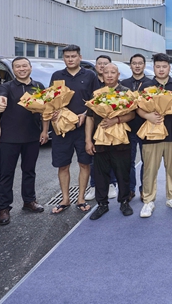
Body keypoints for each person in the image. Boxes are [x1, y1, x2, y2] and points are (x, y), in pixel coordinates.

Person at [0, 57, 49, 225]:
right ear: (13, 70)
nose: (21, 69)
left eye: (24, 66)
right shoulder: (6, 87)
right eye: (17, 67)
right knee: (6, 173)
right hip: (10, 137)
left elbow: (46, 110)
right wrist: (0, 103)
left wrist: (45, 131)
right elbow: (1, 99)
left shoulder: (38, 86)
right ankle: (4, 208)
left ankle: (29, 201)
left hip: (32, 136)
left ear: (30, 68)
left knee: (29, 170)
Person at [49, 45, 101, 214]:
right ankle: (65, 199)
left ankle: (81, 198)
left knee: (84, 163)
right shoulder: (57, 76)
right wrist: (53, 112)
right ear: (63, 58)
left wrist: (85, 114)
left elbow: (97, 100)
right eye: (67, 57)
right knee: (63, 165)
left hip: (83, 128)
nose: (70, 59)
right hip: (62, 129)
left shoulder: (90, 75)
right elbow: (50, 100)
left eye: (73, 56)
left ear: (80, 57)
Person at [138, 53, 172, 218]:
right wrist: (148, 116)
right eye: (158, 66)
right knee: (150, 169)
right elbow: (137, 107)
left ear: (169, 68)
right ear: (153, 68)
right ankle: (148, 200)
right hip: (151, 133)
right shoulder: (145, 86)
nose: (161, 69)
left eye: (164, 66)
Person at [84, 63, 136, 220]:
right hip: (101, 139)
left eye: (113, 72)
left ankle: (124, 202)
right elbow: (90, 118)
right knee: (100, 174)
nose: (109, 75)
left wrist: (116, 120)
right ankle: (102, 204)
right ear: (102, 75)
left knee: (122, 172)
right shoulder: (97, 94)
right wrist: (88, 140)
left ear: (118, 75)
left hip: (121, 139)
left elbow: (132, 114)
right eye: (106, 72)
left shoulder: (126, 92)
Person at [121, 53, 155, 201]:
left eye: (140, 63)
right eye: (134, 63)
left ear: (144, 65)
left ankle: (144, 190)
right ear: (130, 65)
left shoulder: (151, 84)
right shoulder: (123, 84)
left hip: (146, 127)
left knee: (146, 161)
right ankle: (130, 189)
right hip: (127, 128)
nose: (137, 66)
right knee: (128, 161)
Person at [86, 54, 118, 202]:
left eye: (106, 64)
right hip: (97, 131)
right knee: (95, 160)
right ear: (96, 66)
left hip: (115, 129)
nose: (103, 66)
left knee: (114, 159)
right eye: (100, 64)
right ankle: (94, 185)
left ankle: (111, 184)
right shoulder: (93, 84)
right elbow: (89, 113)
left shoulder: (118, 87)